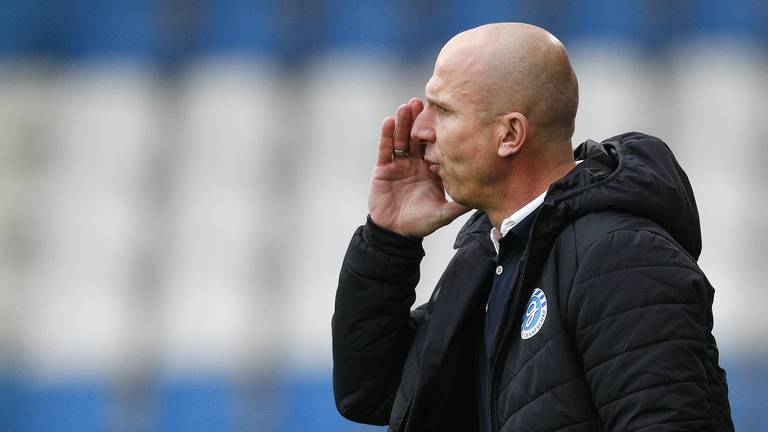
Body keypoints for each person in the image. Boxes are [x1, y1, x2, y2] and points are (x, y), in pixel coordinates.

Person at [332, 23, 734, 432]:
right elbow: (372, 395)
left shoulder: (622, 257)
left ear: (510, 135)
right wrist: (390, 240)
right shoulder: (491, 256)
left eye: (445, 110)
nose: (420, 131)